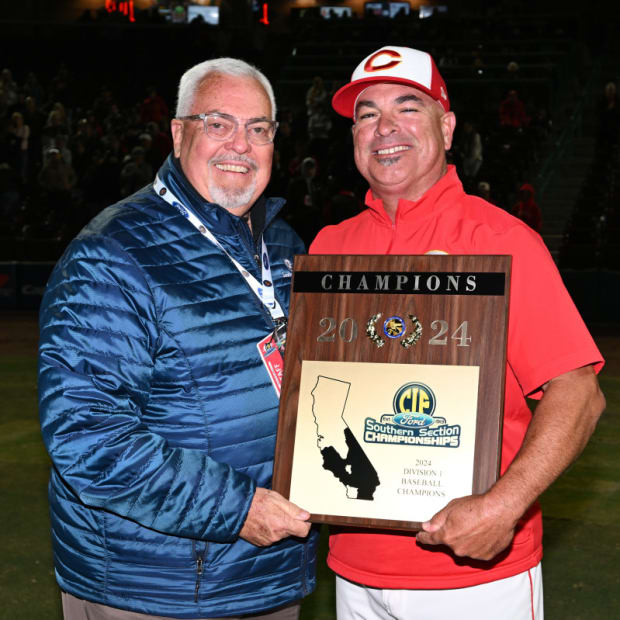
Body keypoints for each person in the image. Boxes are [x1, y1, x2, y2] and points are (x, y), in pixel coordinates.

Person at [309, 45, 605, 620]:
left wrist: (504, 506)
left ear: (446, 127)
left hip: (473, 575)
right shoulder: (330, 246)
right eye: (366, 114)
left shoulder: (503, 239)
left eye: (407, 108)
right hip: (353, 569)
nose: (384, 128)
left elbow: (579, 393)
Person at [38, 57, 318, 620]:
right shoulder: (113, 255)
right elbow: (87, 436)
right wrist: (237, 510)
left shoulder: (286, 246)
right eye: (219, 123)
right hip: (157, 587)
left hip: (270, 576)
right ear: (178, 131)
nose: (240, 144)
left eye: (258, 129)